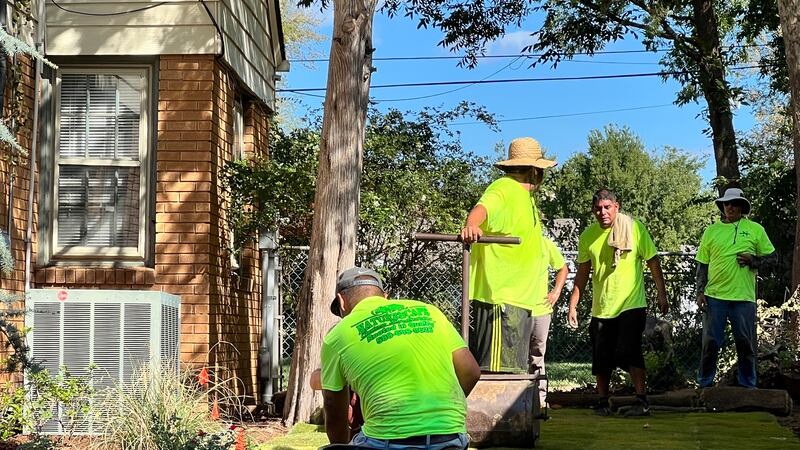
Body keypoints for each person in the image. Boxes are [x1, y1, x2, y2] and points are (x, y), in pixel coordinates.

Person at [320, 267, 481, 449]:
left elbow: (333, 404)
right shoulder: (430, 312)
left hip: (386, 441)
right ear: (385, 296)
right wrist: (440, 414)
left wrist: (341, 445)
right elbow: (471, 371)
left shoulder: (337, 336)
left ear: (341, 302)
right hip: (450, 438)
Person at [567, 189, 668, 417]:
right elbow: (582, 273)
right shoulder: (588, 236)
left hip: (631, 303)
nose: (602, 212)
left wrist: (662, 294)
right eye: (598, 208)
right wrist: (573, 303)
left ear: (616, 207)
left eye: (607, 207)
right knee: (601, 355)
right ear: (593, 210)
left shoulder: (633, 228)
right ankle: (603, 401)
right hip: (602, 307)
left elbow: (652, 261)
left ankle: (641, 400)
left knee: (628, 350)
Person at [460, 137, 557, 373]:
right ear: (535, 172)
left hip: (520, 301)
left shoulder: (525, 198)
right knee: (496, 372)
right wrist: (472, 225)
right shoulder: (504, 188)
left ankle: (513, 410)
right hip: (500, 301)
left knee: (513, 370)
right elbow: (482, 208)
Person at [695, 188, 775, 389]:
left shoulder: (756, 229)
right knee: (710, 343)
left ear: (742, 207)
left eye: (734, 203)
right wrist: (699, 291)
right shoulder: (711, 231)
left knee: (745, 343)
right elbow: (702, 264)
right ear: (722, 206)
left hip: (744, 297)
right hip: (714, 296)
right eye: (726, 203)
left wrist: (753, 260)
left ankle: (748, 386)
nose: (729, 206)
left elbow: (773, 259)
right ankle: (704, 386)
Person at [529, 236, 569, 408]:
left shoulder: (544, 243)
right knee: (514, 357)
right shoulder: (509, 242)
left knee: (537, 355)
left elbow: (563, 268)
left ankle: (540, 401)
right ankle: (517, 400)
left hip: (541, 310)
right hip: (514, 309)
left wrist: (556, 292)